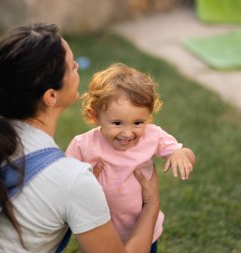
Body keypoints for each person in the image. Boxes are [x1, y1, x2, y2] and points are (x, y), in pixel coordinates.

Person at [0, 24, 160, 253]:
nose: (76, 65)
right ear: (51, 96)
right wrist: (150, 205)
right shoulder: (72, 180)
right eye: (70, 65)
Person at [66, 63, 196, 252]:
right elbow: (65, 179)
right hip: (99, 232)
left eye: (138, 122)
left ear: (148, 117)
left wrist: (181, 155)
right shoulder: (83, 145)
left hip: (144, 229)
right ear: (94, 115)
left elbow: (185, 153)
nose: (127, 133)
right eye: (117, 123)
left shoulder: (152, 136)